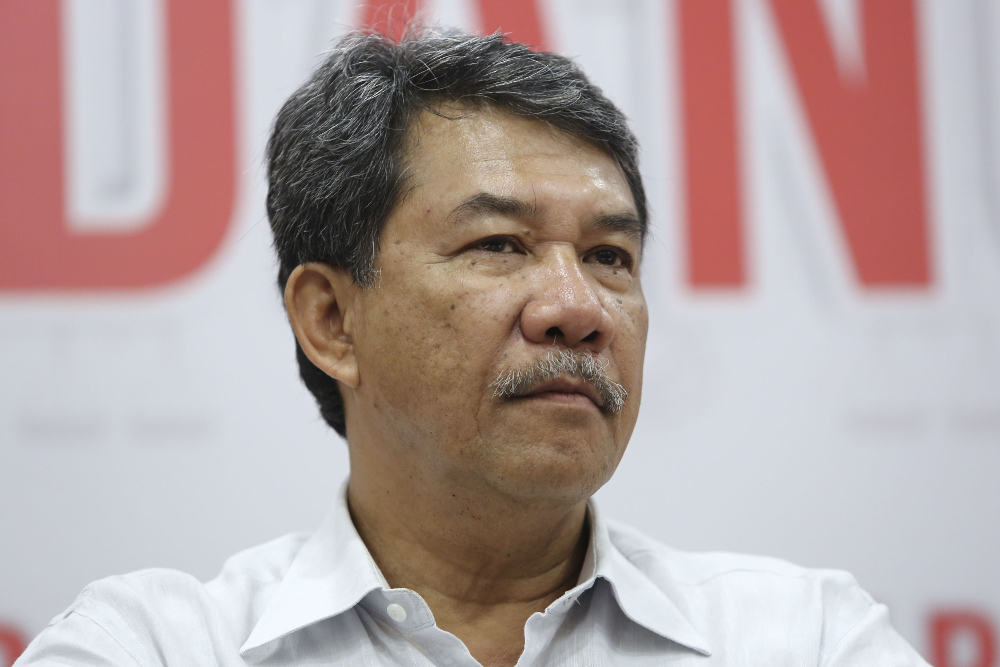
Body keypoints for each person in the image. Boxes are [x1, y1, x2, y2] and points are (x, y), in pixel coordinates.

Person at [17, 28, 929, 667]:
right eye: (499, 244)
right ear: (331, 320)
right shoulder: (156, 646)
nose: (578, 309)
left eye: (609, 256)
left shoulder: (803, 637)